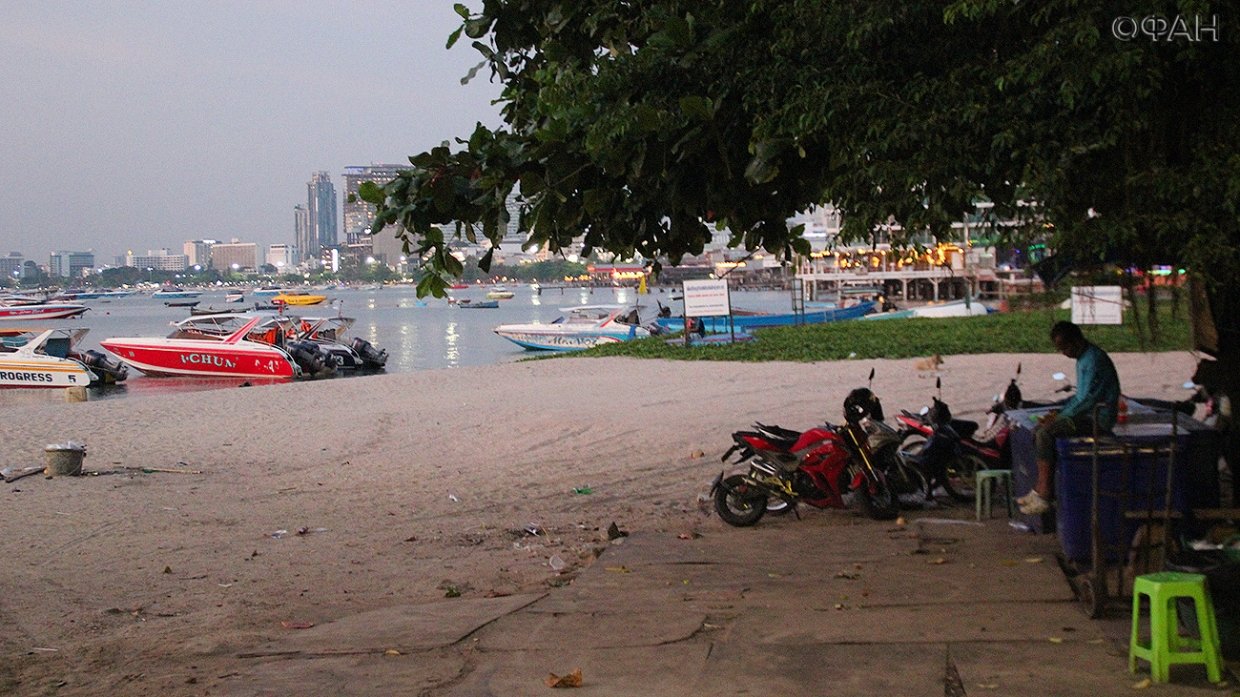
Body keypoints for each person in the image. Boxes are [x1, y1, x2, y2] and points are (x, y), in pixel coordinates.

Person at [1018, 321, 1121, 515]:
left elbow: (1088, 400)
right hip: (1086, 413)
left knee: (1046, 434)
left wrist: (1060, 419)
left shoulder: (1094, 360)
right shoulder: (1083, 359)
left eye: (1064, 347)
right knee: (1037, 431)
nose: (1063, 352)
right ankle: (1039, 487)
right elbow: (1079, 397)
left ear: (1075, 341)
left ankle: (1046, 494)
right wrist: (1059, 413)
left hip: (1098, 418)